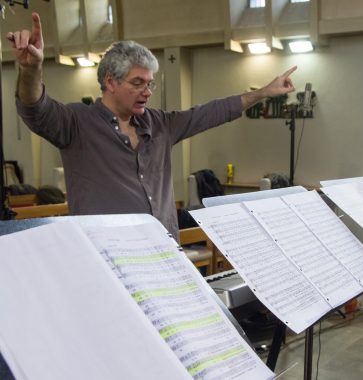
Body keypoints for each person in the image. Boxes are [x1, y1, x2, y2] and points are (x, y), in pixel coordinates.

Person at [7, 12, 297, 240]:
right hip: (107, 256)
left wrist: (261, 93)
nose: (147, 91)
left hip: (164, 249)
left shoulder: (159, 124)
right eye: (137, 83)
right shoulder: (76, 123)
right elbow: (35, 107)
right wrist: (31, 69)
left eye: (150, 84)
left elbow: (208, 113)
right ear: (110, 81)